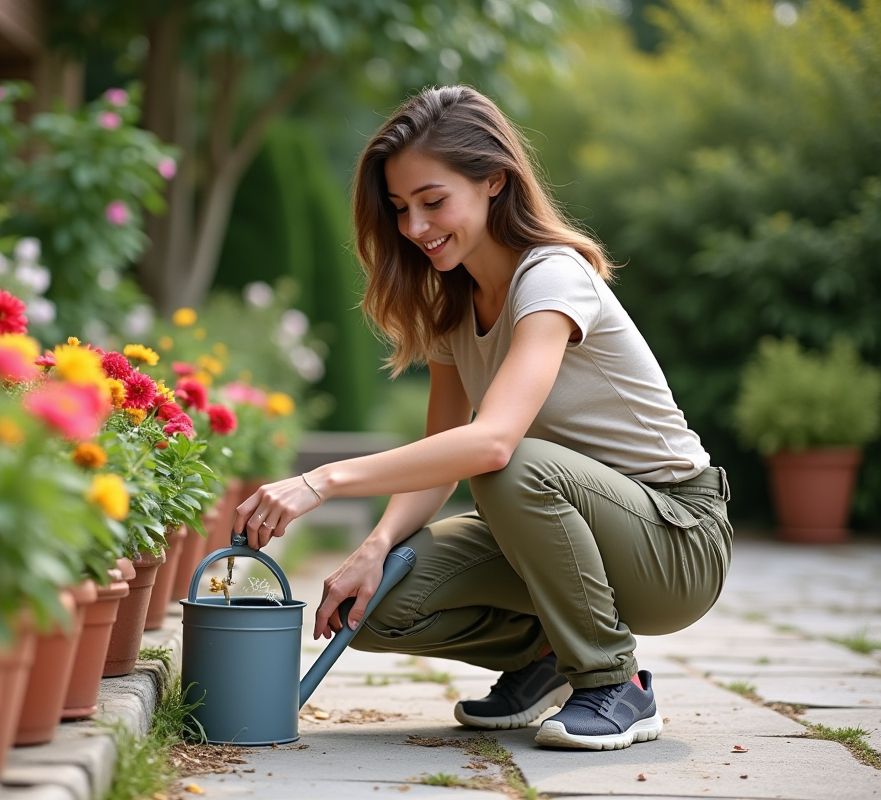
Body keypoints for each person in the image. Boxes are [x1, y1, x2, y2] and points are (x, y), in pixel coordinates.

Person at [231, 85, 733, 752]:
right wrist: (374, 549)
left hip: (677, 540)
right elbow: (443, 449)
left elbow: (491, 444)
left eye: (433, 202)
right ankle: (549, 655)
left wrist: (320, 482)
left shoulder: (552, 277)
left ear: (494, 180)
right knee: (375, 605)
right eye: (402, 208)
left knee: (508, 462)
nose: (414, 228)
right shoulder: (454, 306)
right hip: (570, 524)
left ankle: (615, 683)